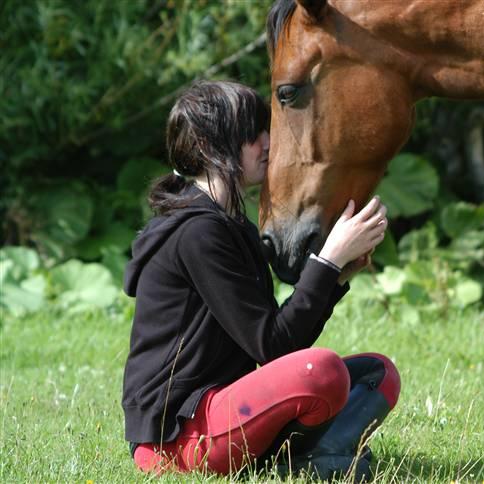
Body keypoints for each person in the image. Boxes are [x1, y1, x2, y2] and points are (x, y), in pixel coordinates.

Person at [121, 80, 400, 480]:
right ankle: (312, 462)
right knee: (320, 372)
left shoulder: (230, 225)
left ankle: (312, 458)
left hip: (221, 409)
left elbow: (278, 341)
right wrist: (326, 260)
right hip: (177, 437)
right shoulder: (197, 233)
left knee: (378, 375)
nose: (267, 143)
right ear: (207, 147)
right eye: (252, 134)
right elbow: (273, 347)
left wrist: (336, 274)